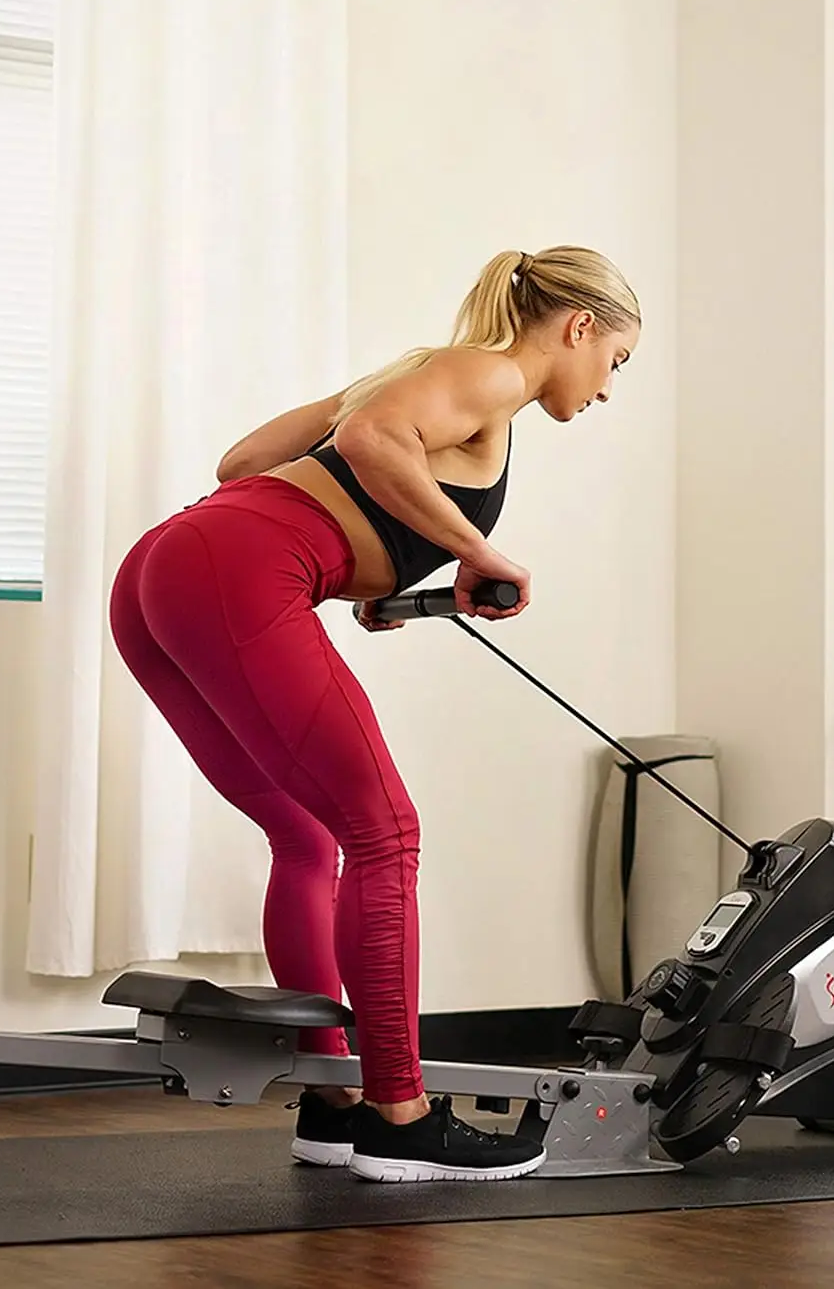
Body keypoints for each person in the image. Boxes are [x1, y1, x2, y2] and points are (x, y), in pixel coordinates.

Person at [109, 246, 641, 1183]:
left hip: (167, 569)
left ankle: (333, 1098)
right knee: (384, 833)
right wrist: (476, 550)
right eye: (616, 362)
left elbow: (247, 464)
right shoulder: (489, 373)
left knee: (308, 837)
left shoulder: (410, 373)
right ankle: (401, 1112)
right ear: (580, 326)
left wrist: (368, 565)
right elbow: (366, 447)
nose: (606, 389)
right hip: (237, 569)